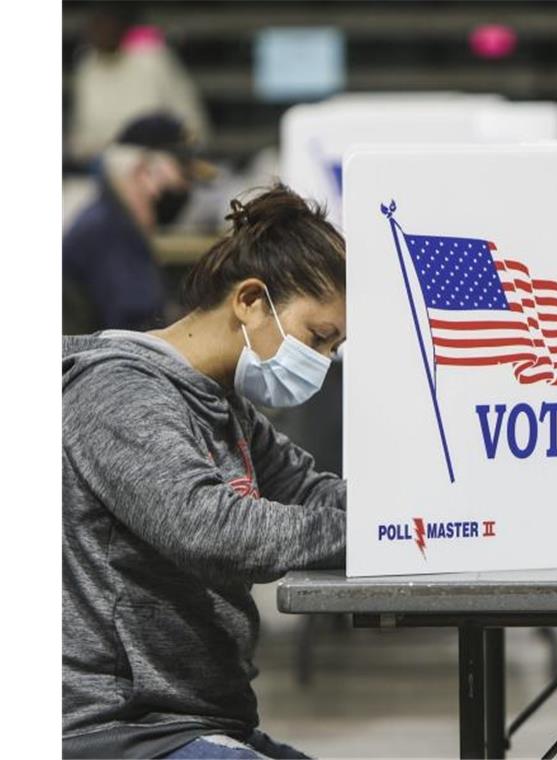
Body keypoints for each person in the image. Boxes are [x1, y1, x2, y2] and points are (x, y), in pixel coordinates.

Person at [63, 184, 347, 759]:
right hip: (121, 728)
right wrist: (389, 534)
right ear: (249, 300)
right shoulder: (116, 392)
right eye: (318, 337)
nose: (322, 361)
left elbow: (313, 493)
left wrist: (431, 518)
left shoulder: (222, 404)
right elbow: (213, 529)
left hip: (201, 718)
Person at [63, 113, 214, 333]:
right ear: (142, 171)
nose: (186, 187)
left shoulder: (113, 222)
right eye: (182, 172)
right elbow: (138, 328)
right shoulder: (109, 233)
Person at [68, 2, 210, 163]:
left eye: (106, 24)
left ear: (121, 26)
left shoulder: (152, 59)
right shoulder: (88, 67)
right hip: (104, 166)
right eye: (96, 25)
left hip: (160, 163)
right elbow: (81, 138)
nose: (101, 32)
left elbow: (192, 124)